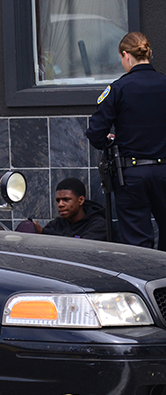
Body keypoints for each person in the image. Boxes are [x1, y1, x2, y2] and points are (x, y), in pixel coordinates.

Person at [86, 31, 166, 251]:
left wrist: (108, 140)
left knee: (137, 243)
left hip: (132, 175)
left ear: (126, 55)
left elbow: (95, 132)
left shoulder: (118, 89)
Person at [30, 178, 107, 240]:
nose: (60, 204)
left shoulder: (98, 224)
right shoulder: (56, 224)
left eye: (66, 199)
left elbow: (82, 250)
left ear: (80, 200)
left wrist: (43, 232)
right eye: (58, 200)